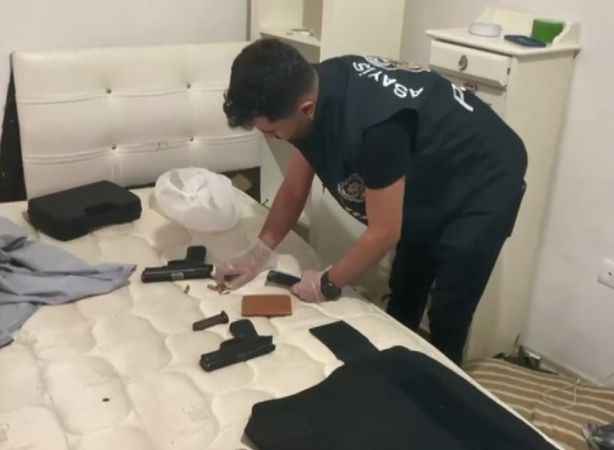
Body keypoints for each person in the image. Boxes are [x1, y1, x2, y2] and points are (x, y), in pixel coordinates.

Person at [215, 38, 527, 365]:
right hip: (428, 166)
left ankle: (444, 380)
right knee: (406, 286)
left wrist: (327, 283)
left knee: (450, 307)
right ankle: (396, 367)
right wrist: (258, 253)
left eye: (272, 131)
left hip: (485, 176)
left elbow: (384, 232)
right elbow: (294, 190)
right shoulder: (305, 88)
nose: (271, 138)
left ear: (305, 109)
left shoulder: (374, 128)